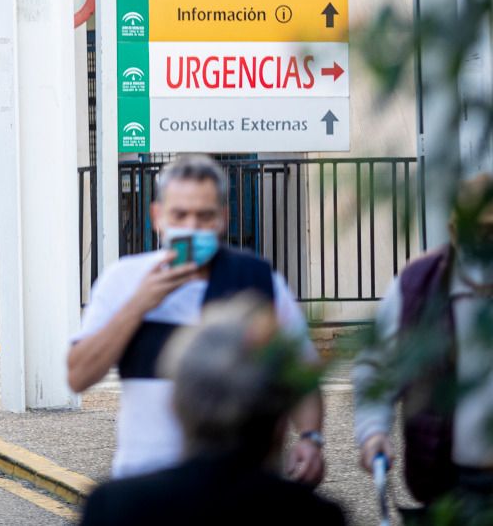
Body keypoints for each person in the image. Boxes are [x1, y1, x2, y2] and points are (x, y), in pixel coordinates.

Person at [67, 154, 325, 481]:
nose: (191, 227)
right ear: (157, 217)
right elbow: (79, 375)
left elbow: (301, 374)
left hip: (240, 489)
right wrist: (138, 305)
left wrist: (310, 439)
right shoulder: (124, 279)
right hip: (146, 487)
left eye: (204, 217)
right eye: (180, 215)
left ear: (222, 219)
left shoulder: (257, 280)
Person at [80, 297, 345, 526]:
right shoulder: (317, 515)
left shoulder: (114, 507)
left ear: (176, 406)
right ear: (281, 418)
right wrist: (311, 437)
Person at [353, 171, 493, 514]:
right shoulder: (417, 286)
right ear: (454, 230)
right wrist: (373, 432)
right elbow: (376, 370)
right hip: (449, 485)